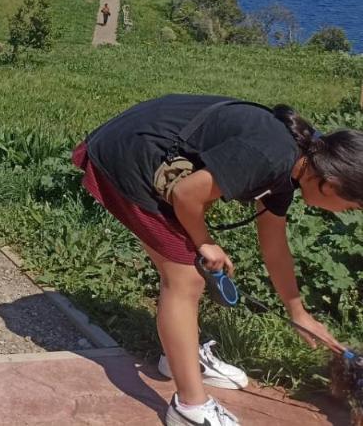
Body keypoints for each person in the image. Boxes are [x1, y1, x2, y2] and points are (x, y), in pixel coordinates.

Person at [73, 95, 363, 426]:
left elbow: (275, 247)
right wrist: (205, 242)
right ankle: (190, 408)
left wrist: (298, 313)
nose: (347, 214)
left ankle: (182, 358)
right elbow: (185, 195)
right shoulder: (273, 156)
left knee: (188, 262)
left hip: (160, 160)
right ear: (332, 185)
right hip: (129, 155)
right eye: (352, 207)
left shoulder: (289, 172)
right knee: (185, 279)